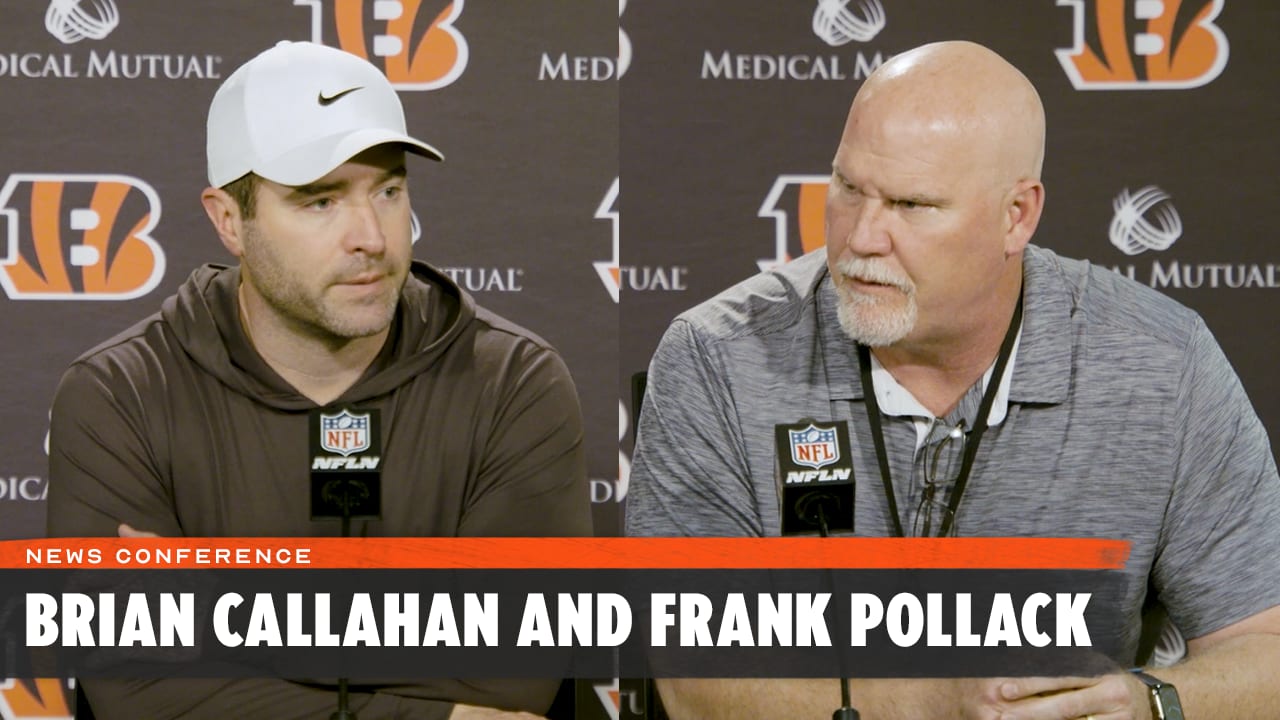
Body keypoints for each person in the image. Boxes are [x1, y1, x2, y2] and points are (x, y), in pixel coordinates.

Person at [626, 40, 1280, 719]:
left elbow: (1265, 649)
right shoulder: (720, 356)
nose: (862, 238)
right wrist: (935, 703)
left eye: (912, 205)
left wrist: (1144, 704)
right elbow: (693, 683)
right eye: (848, 189)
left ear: (1015, 216)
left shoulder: (1161, 364)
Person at [46, 41, 590, 720]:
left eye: (388, 190)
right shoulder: (119, 396)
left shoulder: (513, 382)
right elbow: (142, 692)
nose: (371, 235)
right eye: (319, 200)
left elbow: (507, 686)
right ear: (228, 221)